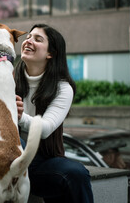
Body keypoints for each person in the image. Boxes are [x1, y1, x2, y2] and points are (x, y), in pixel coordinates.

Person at [15, 24, 94, 203]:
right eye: (28, 36)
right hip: (9, 156)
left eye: (38, 39)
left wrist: (19, 116)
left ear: (51, 53)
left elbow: (45, 128)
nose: (28, 41)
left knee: (77, 173)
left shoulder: (62, 88)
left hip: (42, 162)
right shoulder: (8, 78)